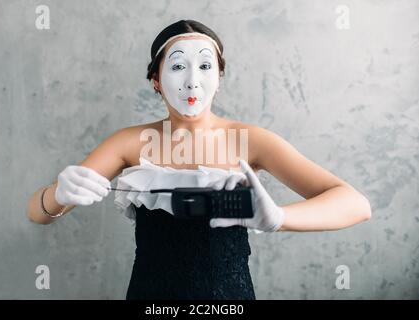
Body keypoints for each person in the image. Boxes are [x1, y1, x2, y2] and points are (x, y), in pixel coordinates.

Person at [27, 20, 371, 300]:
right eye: (178, 66)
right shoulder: (127, 142)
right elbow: (37, 214)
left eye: (205, 65)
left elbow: (355, 204)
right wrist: (57, 196)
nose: (193, 80)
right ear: (156, 81)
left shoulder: (252, 141)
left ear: (219, 77)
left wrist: (280, 217)